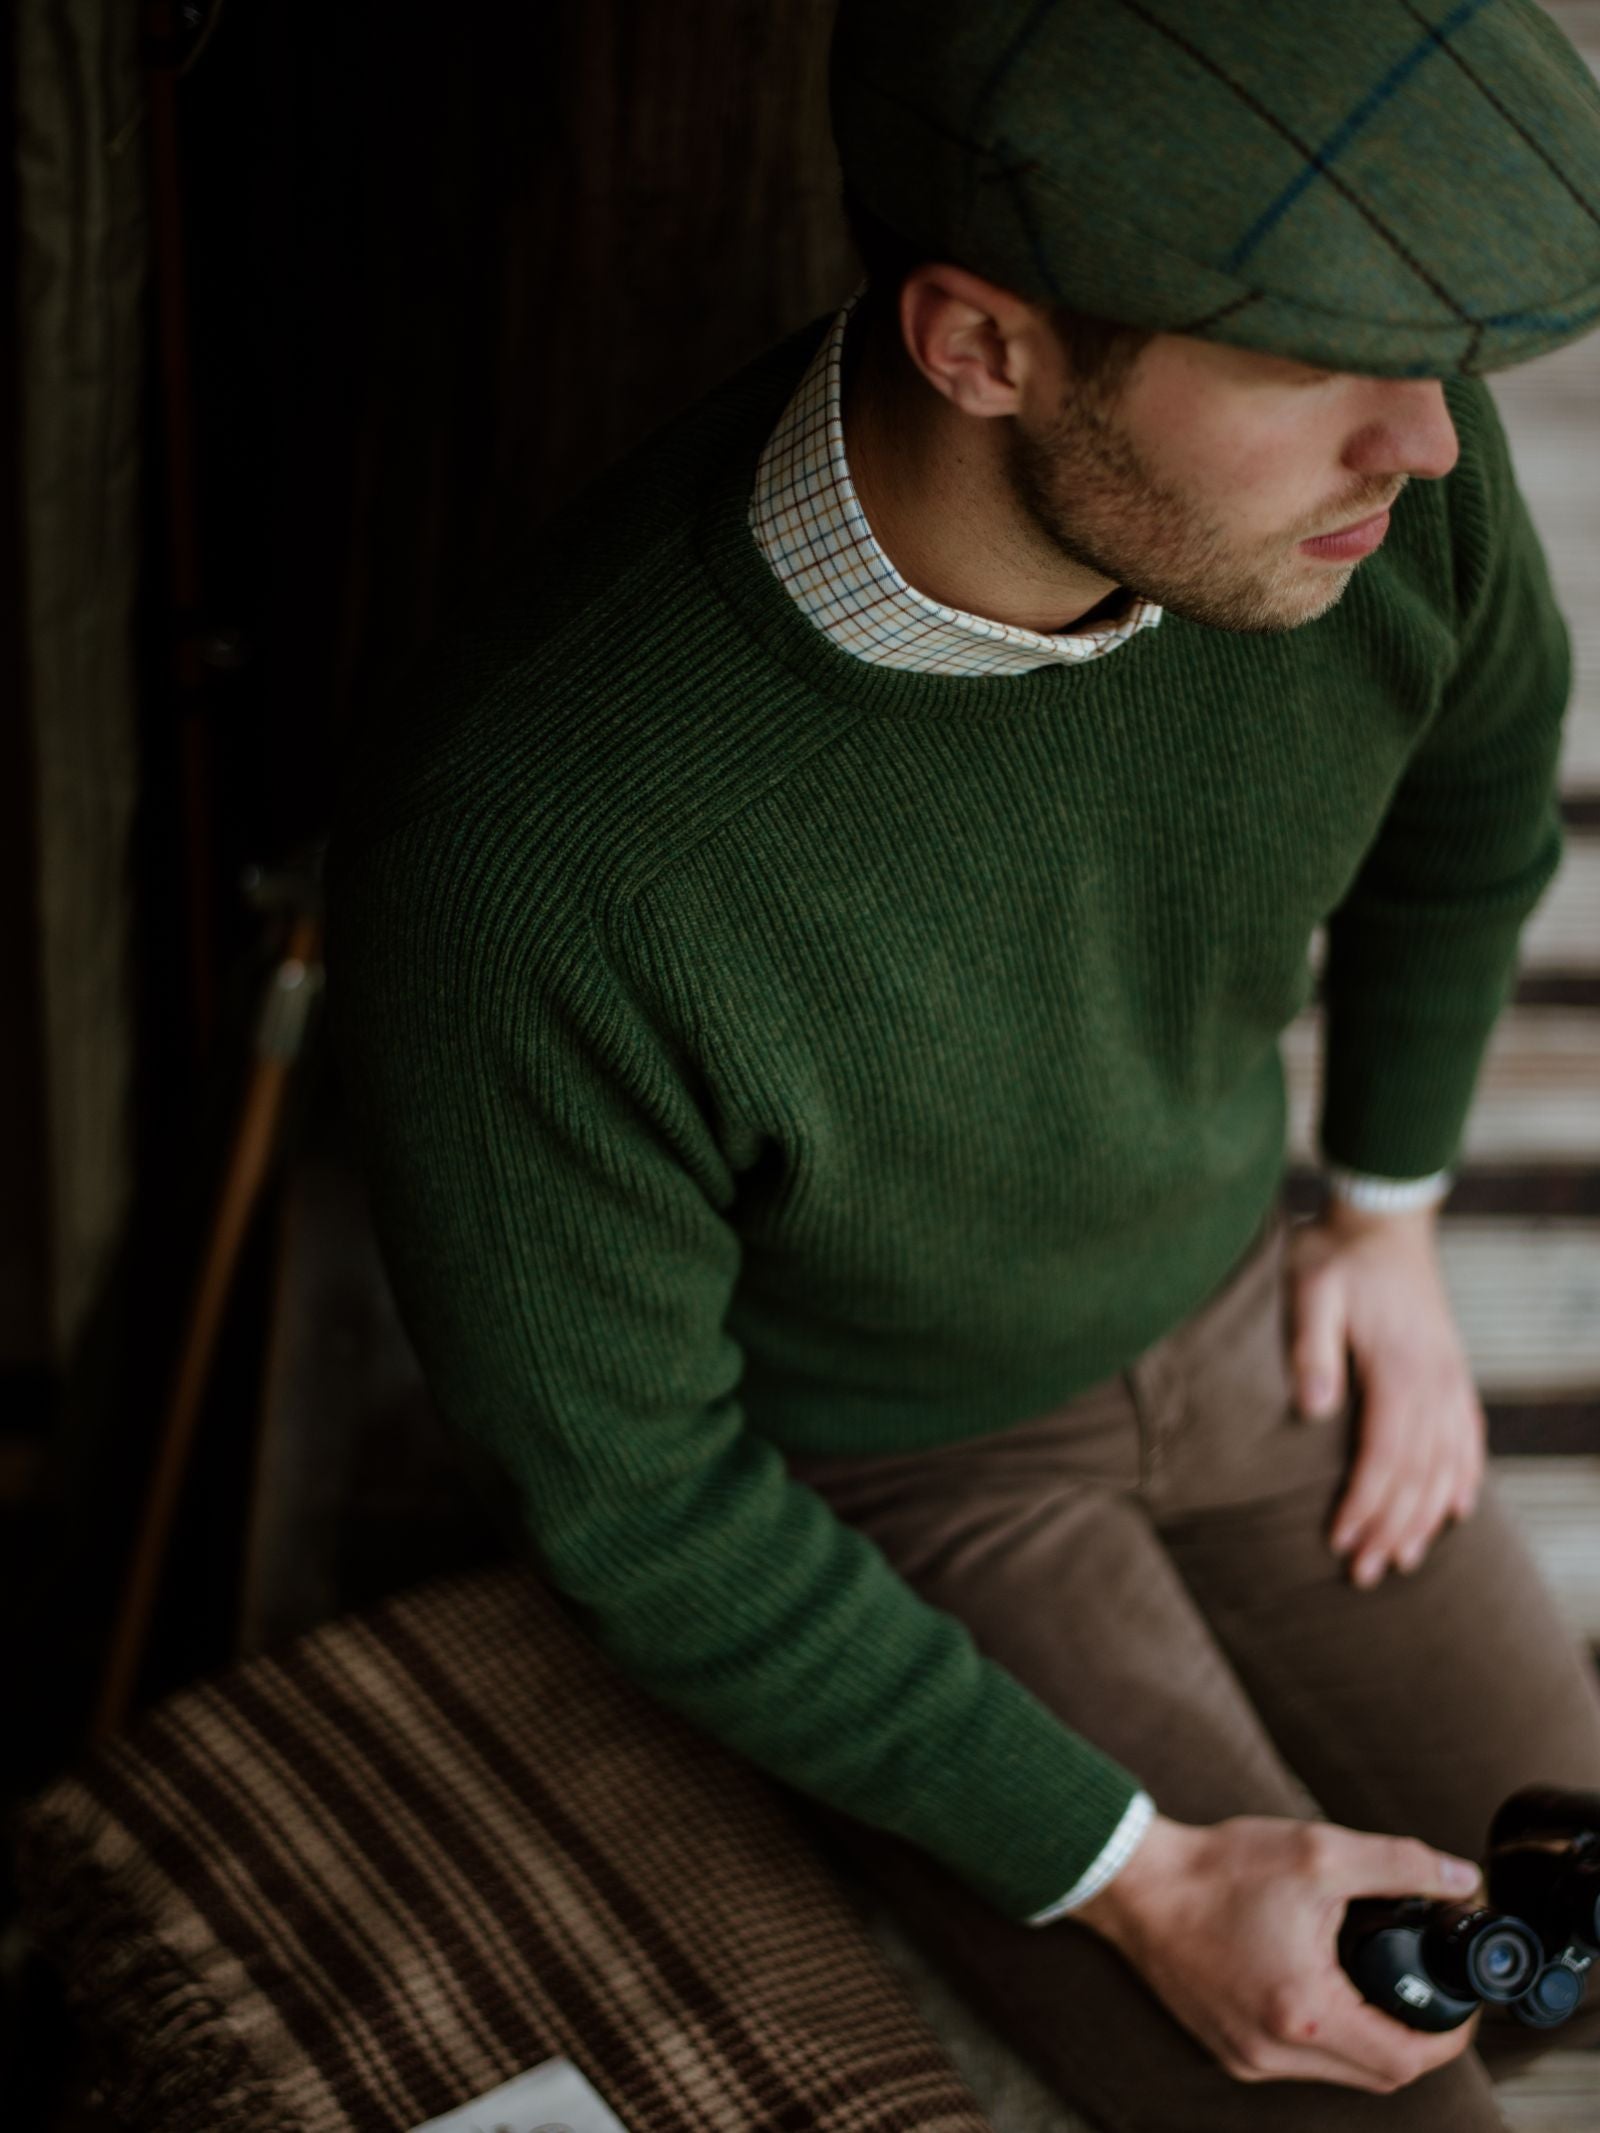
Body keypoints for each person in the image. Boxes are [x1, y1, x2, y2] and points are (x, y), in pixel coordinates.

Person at [324, 1, 1600, 2125]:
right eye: (1308, 362)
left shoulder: (1379, 513)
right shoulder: (529, 854)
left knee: (1558, 1913)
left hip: (1230, 1315)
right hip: (898, 1488)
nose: (1432, 444)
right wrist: (1139, 1873)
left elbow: (1473, 817)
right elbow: (636, 1498)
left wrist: (1380, 1215)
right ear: (980, 345)